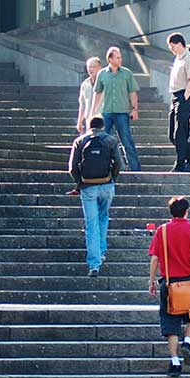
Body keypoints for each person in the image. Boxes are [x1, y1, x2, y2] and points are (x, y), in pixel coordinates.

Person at [148, 196, 190, 377]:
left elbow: (155, 258)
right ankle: (188, 341)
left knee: (170, 322)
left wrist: (152, 280)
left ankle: (175, 363)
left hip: (170, 283)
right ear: (186, 211)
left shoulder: (162, 231)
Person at [69, 115, 125, 275]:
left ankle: (94, 264)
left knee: (91, 224)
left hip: (88, 187)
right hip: (106, 185)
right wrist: (112, 179)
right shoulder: (110, 140)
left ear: (89, 126)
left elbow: (72, 167)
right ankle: (101, 251)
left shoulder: (80, 141)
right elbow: (119, 163)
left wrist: (80, 183)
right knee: (103, 216)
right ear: (102, 126)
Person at [90, 46, 142, 172]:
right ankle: (105, 168)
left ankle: (135, 169)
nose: (120, 59)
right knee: (104, 141)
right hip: (106, 112)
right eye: (118, 57)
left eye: (120, 57)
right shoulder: (102, 74)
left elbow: (133, 92)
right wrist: (92, 112)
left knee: (127, 141)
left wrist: (134, 109)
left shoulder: (126, 73)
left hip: (122, 112)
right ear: (110, 59)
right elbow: (97, 93)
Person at [166, 34, 190, 172]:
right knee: (172, 135)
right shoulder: (178, 59)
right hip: (175, 96)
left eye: (172, 46)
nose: (171, 49)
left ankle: (180, 164)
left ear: (179, 44)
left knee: (179, 133)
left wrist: (185, 98)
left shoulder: (189, 58)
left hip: (183, 96)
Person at [76, 56, 102, 133]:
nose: (91, 69)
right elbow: (82, 104)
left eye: (93, 67)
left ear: (100, 68)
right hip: (88, 120)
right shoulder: (85, 84)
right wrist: (79, 121)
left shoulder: (105, 82)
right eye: (89, 67)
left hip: (101, 120)